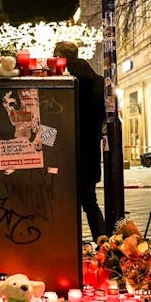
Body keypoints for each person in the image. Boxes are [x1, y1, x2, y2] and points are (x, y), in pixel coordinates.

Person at [54, 40, 107, 241]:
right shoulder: (99, 82)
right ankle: (103, 244)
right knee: (90, 202)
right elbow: (103, 116)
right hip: (89, 151)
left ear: (60, 56)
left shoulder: (59, 80)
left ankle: (67, 245)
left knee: (64, 204)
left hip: (63, 151)